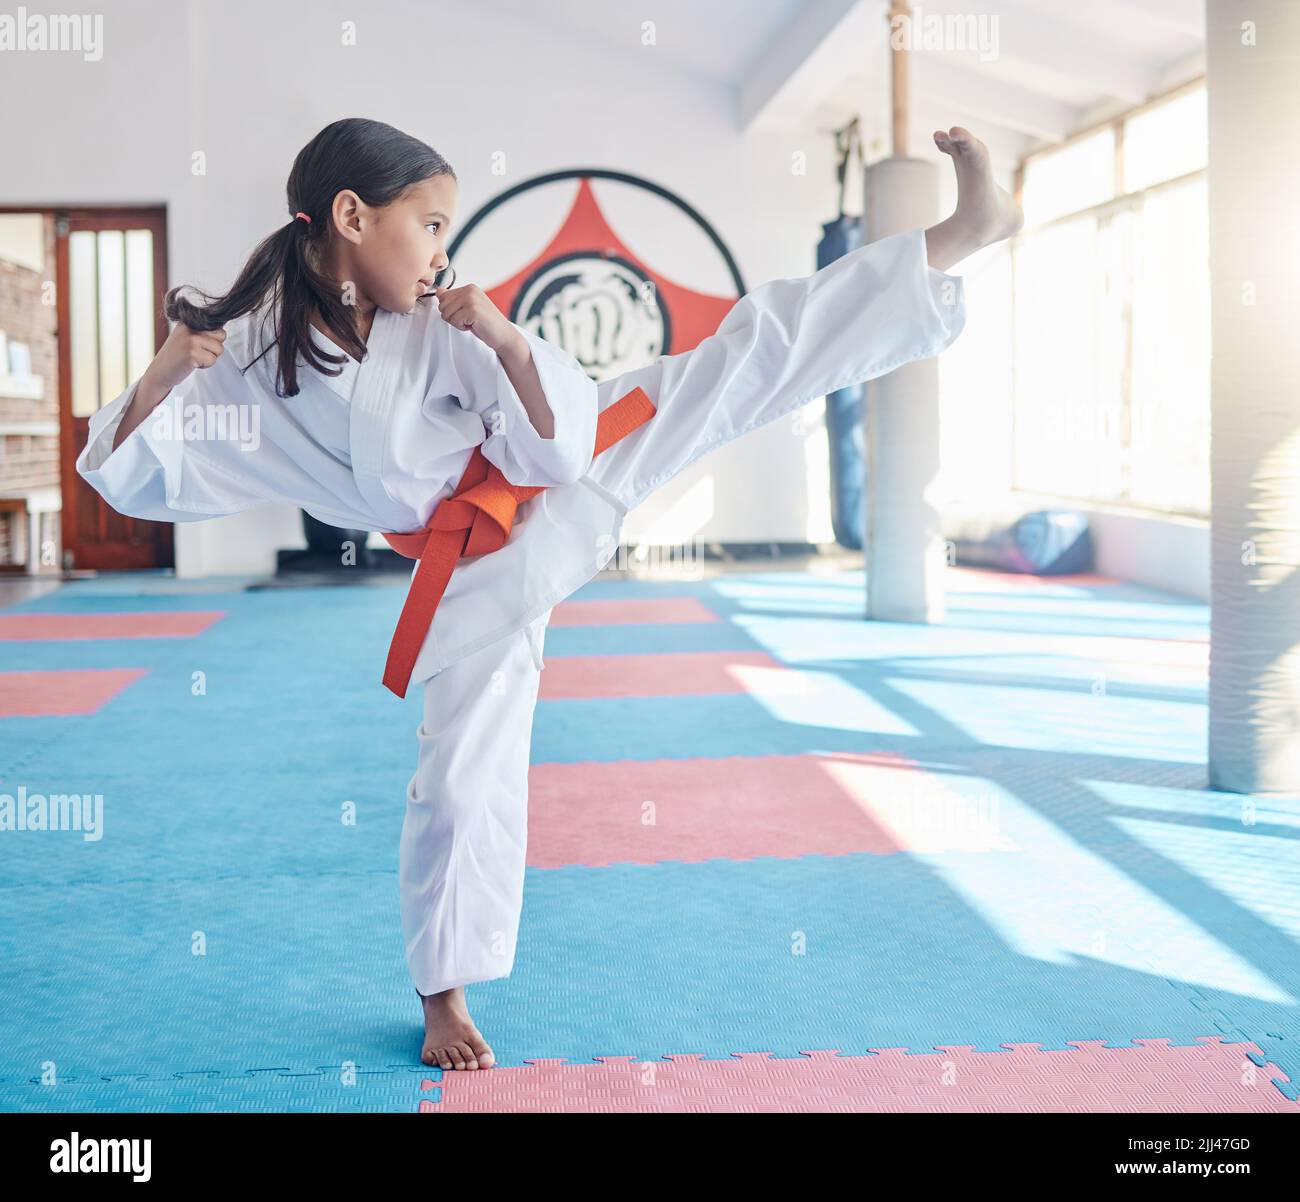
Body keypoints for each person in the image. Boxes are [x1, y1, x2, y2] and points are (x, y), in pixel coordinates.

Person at [76, 116, 1023, 1072]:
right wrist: (159, 377)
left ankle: (957, 240)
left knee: (744, 356)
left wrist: (504, 337)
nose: (444, 250)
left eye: (448, 230)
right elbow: (127, 475)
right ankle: (442, 991)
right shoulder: (247, 357)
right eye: (432, 224)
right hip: (479, 566)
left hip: (565, 460)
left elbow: (556, 450)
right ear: (352, 216)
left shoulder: (440, 323)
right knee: (458, 775)